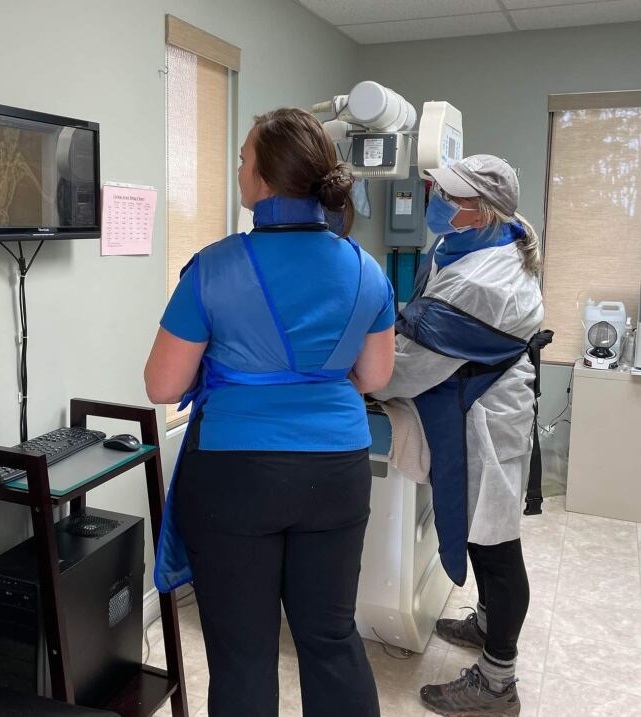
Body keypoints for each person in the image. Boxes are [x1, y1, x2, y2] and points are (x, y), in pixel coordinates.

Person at [144, 108, 395, 717]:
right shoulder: (366, 269)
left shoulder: (214, 267)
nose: (237, 169)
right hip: (337, 471)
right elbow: (375, 376)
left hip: (236, 475)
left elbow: (162, 383)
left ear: (262, 179)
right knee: (331, 636)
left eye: (241, 158)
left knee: (244, 652)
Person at [372, 155, 547, 717]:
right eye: (434, 189)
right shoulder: (480, 242)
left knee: (494, 543)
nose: (434, 201)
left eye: (446, 195)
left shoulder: (479, 281)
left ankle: (499, 684)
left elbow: (412, 366)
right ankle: (488, 623)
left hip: (488, 416)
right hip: (483, 398)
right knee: (481, 529)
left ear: (480, 210)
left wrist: (362, 375)